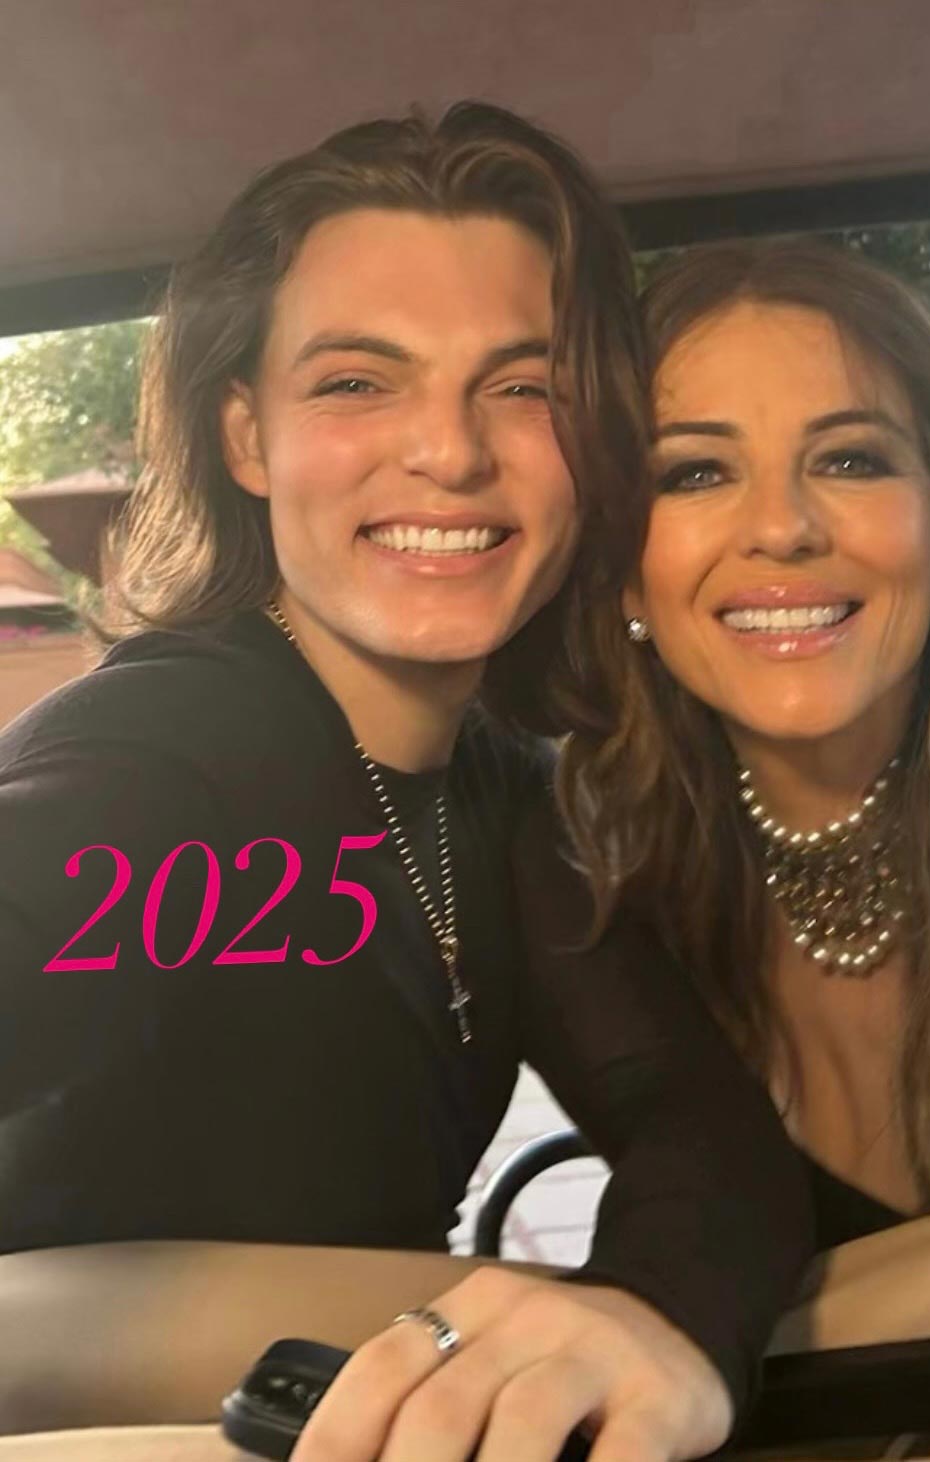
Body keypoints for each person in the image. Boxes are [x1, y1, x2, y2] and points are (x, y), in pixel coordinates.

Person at [0, 112, 813, 1461]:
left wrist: (657, 1319)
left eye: (523, 386)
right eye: (356, 382)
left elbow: (697, 1125)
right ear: (248, 439)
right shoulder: (164, 756)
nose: (450, 450)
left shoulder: (499, 793)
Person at [560, 237, 930, 1251]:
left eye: (850, 460)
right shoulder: (620, 892)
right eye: (696, 472)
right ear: (626, 577)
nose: (783, 527)